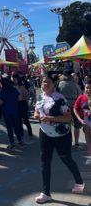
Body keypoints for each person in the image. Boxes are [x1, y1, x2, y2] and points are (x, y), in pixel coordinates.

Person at [34, 74, 85, 204]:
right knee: (44, 162)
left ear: (54, 84)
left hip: (61, 135)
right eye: (43, 81)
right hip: (45, 134)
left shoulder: (59, 98)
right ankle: (46, 193)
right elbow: (37, 112)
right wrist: (37, 116)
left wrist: (51, 119)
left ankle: (79, 181)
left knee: (66, 159)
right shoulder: (40, 96)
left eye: (48, 82)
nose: (44, 84)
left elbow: (68, 118)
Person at [57, 70, 82, 147]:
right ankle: (76, 143)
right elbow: (80, 96)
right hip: (75, 106)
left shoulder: (59, 84)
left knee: (66, 125)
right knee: (77, 126)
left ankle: (68, 142)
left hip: (64, 107)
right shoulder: (75, 85)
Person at [0, 77, 23, 149]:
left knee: (9, 128)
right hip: (15, 110)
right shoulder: (14, 89)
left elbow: (1, 102)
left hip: (6, 111)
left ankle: (12, 143)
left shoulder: (2, 91)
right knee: (16, 126)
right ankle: (20, 141)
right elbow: (20, 98)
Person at [73, 77, 91, 165]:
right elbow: (75, 109)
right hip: (86, 123)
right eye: (87, 88)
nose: (88, 90)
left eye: (90, 88)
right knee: (88, 140)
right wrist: (80, 119)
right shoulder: (81, 97)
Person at [12, 74, 33, 142]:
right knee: (19, 121)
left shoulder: (21, 87)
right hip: (17, 105)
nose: (13, 80)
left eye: (15, 79)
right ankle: (21, 135)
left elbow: (23, 97)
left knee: (26, 120)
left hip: (23, 104)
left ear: (18, 79)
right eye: (13, 79)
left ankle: (30, 134)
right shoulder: (13, 87)